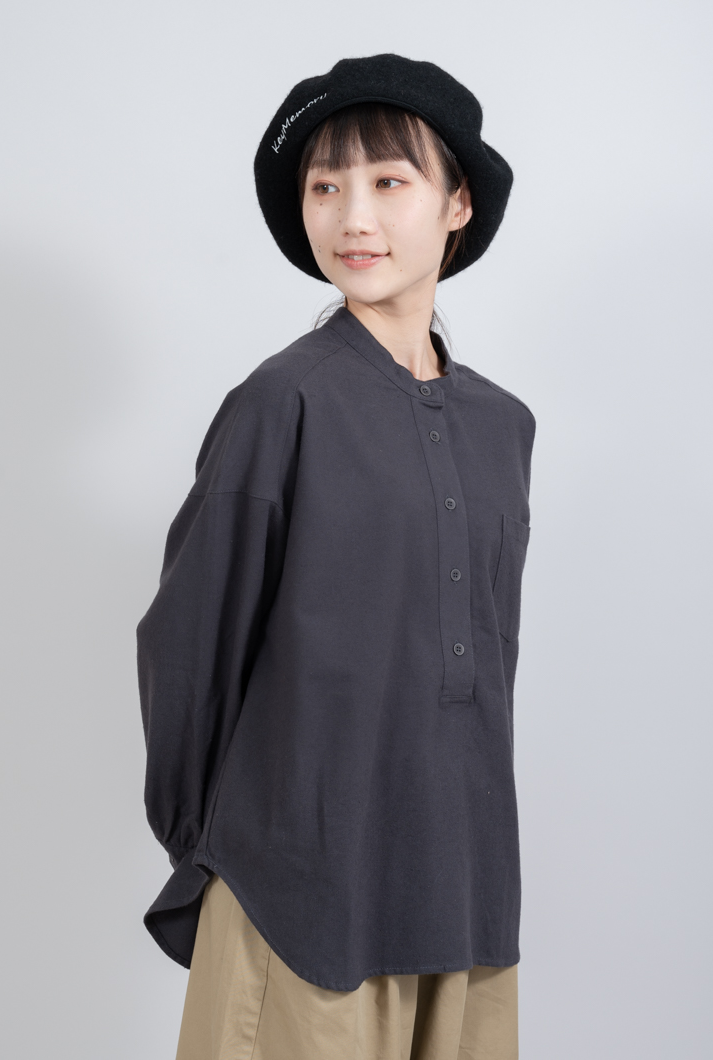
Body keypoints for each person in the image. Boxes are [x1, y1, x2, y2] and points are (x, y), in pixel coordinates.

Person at [137, 53, 536, 1060]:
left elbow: (488, 658)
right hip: (300, 890)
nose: (352, 217)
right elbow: (189, 644)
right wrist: (221, 847)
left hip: (462, 883)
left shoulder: (503, 425)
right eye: (325, 188)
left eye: (389, 182)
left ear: (457, 204)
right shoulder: (283, 401)